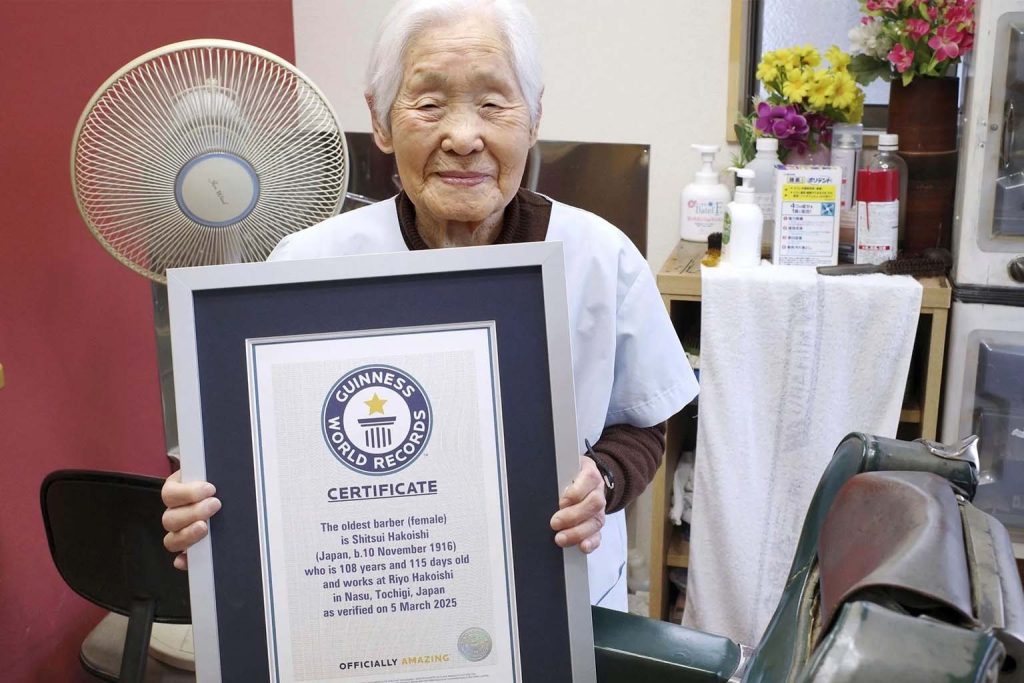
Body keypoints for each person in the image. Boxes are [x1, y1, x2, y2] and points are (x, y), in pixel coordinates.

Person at [161, 0, 697, 611]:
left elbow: (644, 421)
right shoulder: (307, 267)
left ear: (534, 116)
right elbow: (262, 451)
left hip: (556, 601)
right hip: (367, 602)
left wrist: (600, 480)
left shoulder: (600, 256)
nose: (464, 137)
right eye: (430, 104)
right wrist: (206, 507)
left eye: (493, 104)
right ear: (381, 121)